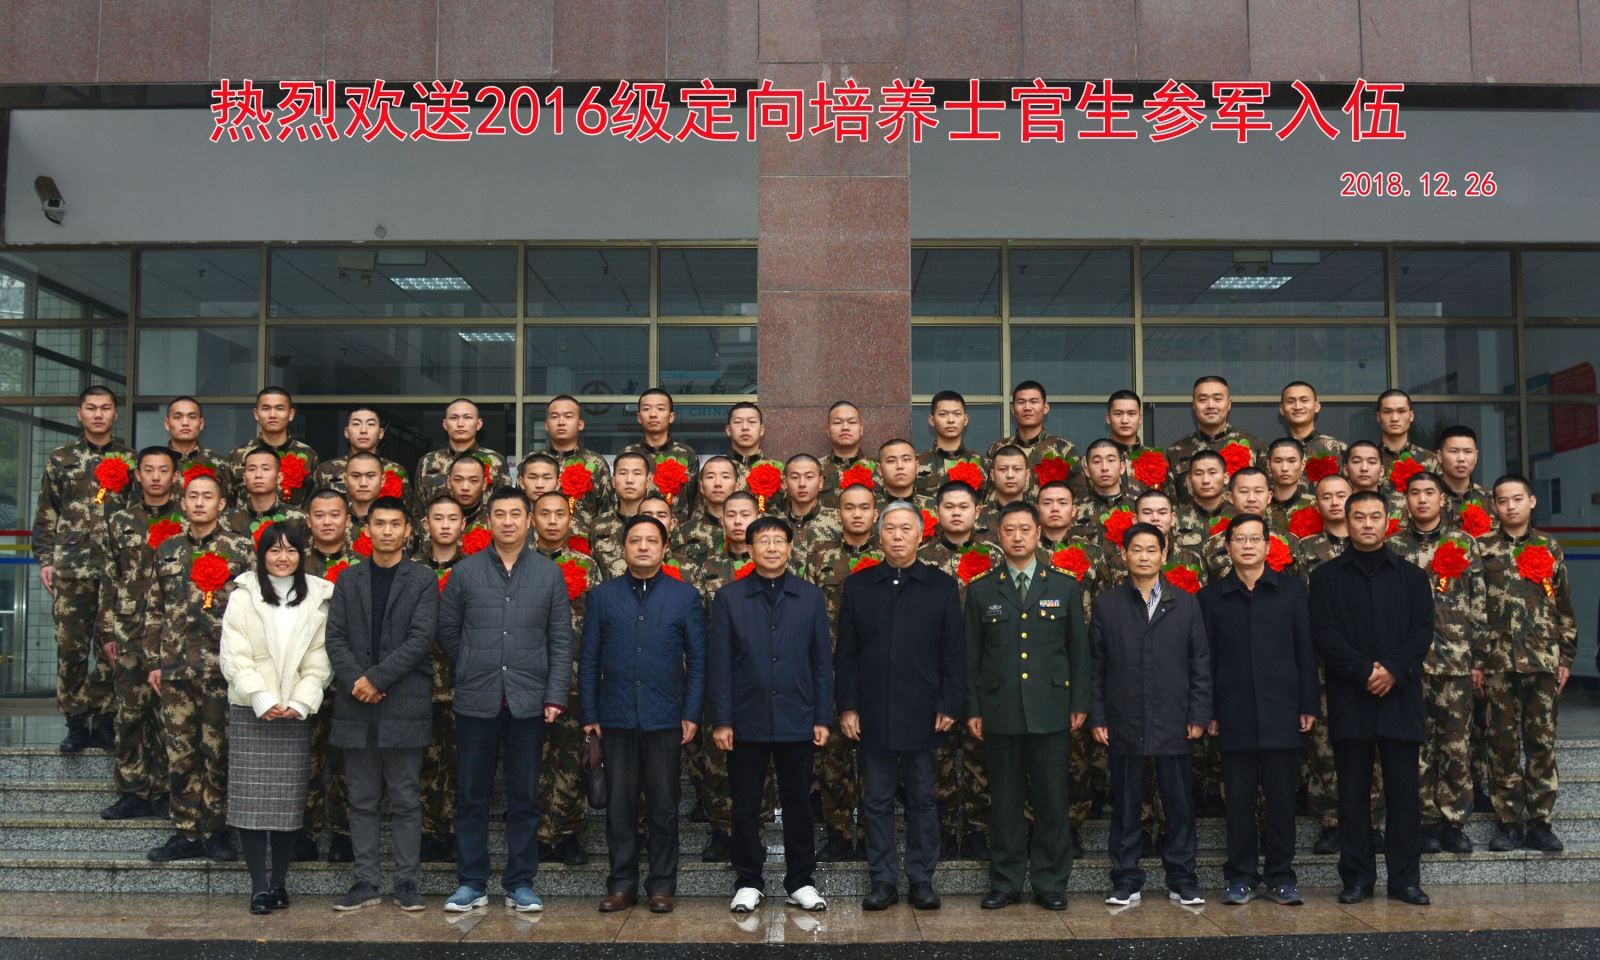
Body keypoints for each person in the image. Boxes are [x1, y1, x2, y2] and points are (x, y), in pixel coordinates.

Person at [436, 488, 574, 913]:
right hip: (476, 699)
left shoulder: (549, 574)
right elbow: (447, 631)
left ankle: (520, 882)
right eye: (500, 514)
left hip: (529, 701)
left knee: (524, 796)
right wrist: (473, 663)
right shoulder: (465, 572)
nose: (509, 521)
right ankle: (471, 882)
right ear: (488, 521)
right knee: (471, 795)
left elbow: (560, 640)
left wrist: (555, 694)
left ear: (529, 520)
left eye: (516, 514)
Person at [1309, 490, 1434, 906]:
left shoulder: (1412, 577)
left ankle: (1405, 880)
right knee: (1352, 795)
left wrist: (1393, 669)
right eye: (1359, 517)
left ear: (1387, 522)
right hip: (1351, 695)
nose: (1367, 524)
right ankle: (1357, 878)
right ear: (1347, 522)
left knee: (1404, 796)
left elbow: (1422, 630)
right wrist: (1364, 671)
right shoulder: (1326, 577)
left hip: (1400, 695)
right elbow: (1324, 632)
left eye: (1374, 517)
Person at [837, 501, 964, 911]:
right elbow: (847, 654)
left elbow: (953, 652)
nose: (897, 536)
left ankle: (922, 879)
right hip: (872, 711)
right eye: (890, 528)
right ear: (879, 535)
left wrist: (949, 703)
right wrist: (848, 707)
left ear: (920, 535)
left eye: (905, 529)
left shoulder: (941, 586)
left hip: (924, 712)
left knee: (923, 799)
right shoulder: (859, 586)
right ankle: (883, 880)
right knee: (876, 800)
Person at [963, 501, 1088, 912]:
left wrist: (1079, 701)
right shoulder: (982, 589)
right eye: (1009, 530)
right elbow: (972, 655)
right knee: (1004, 800)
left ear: (1039, 534)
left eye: (1025, 530)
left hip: (1051, 707)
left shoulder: (1064, 586)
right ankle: (1006, 881)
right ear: (998, 535)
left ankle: (1050, 882)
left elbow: (1078, 651)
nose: (1017, 537)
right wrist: (973, 707)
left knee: (1052, 799)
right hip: (999, 709)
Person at [580, 514, 707, 914]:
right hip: (614, 716)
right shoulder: (603, 596)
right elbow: (589, 659)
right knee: (619, 806)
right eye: (635, 540)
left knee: (664, 806)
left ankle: (661, 885)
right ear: (624, 547)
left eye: (651, 540)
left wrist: (691, 712)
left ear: (665, 547)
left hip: (665, 717)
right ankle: (621, 884)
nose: (643, 547)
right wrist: (590, 713)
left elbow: (698, 661)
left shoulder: (684, 596)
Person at [708, 516, 832, 914]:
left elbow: (821, 662)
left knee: (799, 803)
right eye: (763, 541)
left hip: (798, 716)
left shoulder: (809, 597)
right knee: (746, 804)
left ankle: (801, 881)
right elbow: (720, 663)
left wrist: (822, 717)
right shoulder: (730, 598)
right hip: (747, 717)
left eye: (779, 540)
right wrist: (722, 719)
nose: (772, 547)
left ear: (790, 548)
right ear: (749, 548)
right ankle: (748, 880)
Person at [324, 496, 440, 912]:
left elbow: (420, 638)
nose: (387, 531)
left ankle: (407, 883)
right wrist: (358, 680)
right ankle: (365, 882)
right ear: (366, 529)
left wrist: (376, 678)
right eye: (379, 524)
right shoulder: (348, 579)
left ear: (408, 530)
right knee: (361, 798)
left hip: (402, 701)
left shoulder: (422, 579)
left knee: (406, 798)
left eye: (394, 524)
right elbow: (334, 638)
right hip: (356, 702)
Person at [1197, 514, 1318, 906]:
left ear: (1268, 545)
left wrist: (1308, 703)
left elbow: (1305, 650)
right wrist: (1209, 709)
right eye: (1239, 539)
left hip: (1283, 710)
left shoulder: (1291, 591)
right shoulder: (1211, 597)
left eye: (1254, 539)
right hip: (1233, 711)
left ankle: (1281, 876)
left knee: (1282, 799)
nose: (1247, 546)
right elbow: (1206, 659)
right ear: (1227, 547)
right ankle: (1241, 877)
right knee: (1239, 801)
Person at [1090, 522, 1211, 908]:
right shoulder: (1108, 605)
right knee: (1127, 806)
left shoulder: (1186, 604)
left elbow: (1200, 664)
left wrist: (1198, 713)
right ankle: (1125, 879)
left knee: (1179, 805)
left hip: (1174, 720)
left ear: (1164, 555)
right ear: (1124, 555)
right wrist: (1098, 716)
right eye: (1136, 550)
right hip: (1124, 720)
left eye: (1151, 550)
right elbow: (1095, 668)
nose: (1143, 557)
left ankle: (1183, 878)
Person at [217, 524, 334, 915]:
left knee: (287, 803)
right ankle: (259, 887)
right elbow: (234, 654)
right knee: (251, 802)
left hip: (294, 711)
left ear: (302, 555)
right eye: (274, 550)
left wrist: (301, 701)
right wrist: (260, 697)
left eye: (291, 550)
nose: (283, 558)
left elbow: (320, 658)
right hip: (252, 708)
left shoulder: (319, 595)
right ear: (261, 555)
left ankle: (280, 884)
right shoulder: (243, 595)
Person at [144, 472, 256, 863]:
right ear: (183, 502)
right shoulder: (168, 549)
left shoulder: (240, 549)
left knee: (218, 751)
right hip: (176, 669)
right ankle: (186, 831)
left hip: (222, 670)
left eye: (207, 496)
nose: (199, 502)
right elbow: (154, 609)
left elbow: (254, 610)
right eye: (192, 496)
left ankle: (216, 831)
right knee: (180, 754)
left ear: (221, 504)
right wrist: (154, 661)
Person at [1480, 474, 1577, 854]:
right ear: (1494, 506)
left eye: (1517, 499)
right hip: (1498, 664)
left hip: (1542, 662)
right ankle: (1508, 823)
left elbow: (1563, 606)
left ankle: (1540, 822)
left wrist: (1566, 657)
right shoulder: (1482, 548)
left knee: (1541, 744)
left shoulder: (1549, 547)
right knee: (1502, 745)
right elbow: (1473, 607)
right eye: (1503, 500)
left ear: (1532, 501)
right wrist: (1477, 660)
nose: (1510, 506)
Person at [34, 385, 132, 752]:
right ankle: (75, 722)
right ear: (80, 414)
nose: (98, 414)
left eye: (105, 408)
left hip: (115, 572)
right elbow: (47, 512)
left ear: (115, 414)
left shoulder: (129, 459)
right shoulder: (62, 458)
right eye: (91, 408)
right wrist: (46, 560)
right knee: (70, 647)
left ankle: (104, 718)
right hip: (71, 568)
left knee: (110, 647)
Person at [98, 445, 184, 820]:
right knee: (130, 713)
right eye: (148, 470)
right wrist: (107, 632)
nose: (155, 477)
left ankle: (166, 790)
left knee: (170, 716)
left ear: (175, 476)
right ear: (137, 475)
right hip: (129, 630)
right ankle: (132, 789)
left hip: (173, 632)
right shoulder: (120, 521)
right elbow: (108, 578)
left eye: (163, 470)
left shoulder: (188, 518)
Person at [226, 387, 320, 509]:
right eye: (266, 408)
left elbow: (315, 502)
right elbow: (227, 503)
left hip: (294, 520)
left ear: (291, 414)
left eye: (279, 408)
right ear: (256, 414)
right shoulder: (238, 454)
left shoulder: (308, 455)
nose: (272, 415)